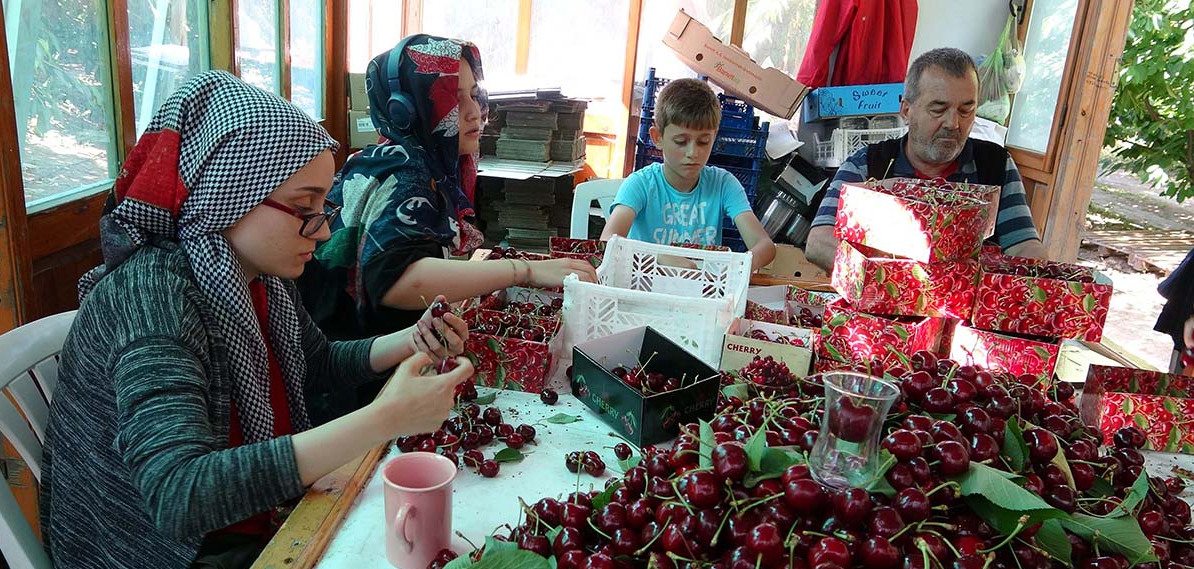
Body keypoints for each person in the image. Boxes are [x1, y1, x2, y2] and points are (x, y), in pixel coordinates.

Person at [39, 71, 474, 569]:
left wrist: (410, 340)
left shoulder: (256, 271)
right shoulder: (158, 295)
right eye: (304, 209)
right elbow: (179, 495)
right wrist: (384, 419)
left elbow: (316, 364)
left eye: (324, 208)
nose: (322, 231)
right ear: (229, 194)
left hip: (238, 531)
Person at [300, 35, 596, 344]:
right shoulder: (406, 172)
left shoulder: (395, 157)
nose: (474, 112)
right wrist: (524, 271)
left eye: (472, 93)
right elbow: (393, 280)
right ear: (407, 110)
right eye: (452, 99)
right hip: (358, 371)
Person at [804, 47, 1049, 273]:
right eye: (938, 109)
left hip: (963, 309)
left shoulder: (994, 165)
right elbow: (819, 243)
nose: (953, 124)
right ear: (907, 111)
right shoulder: (867, 164)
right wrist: (895, 281)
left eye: (966, 110)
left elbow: (1025, 247)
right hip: (880, 307)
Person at [599, 78, 777, 270]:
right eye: (681, 141)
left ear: (714, 137)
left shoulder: (724, 184)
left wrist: (739, 266)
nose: (693, 152)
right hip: (645, 289)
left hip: (702, 291)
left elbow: (765, 246)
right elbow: (608, 242)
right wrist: (657, 257)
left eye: (703, 142)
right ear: (657, 137)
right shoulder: (640, 184)